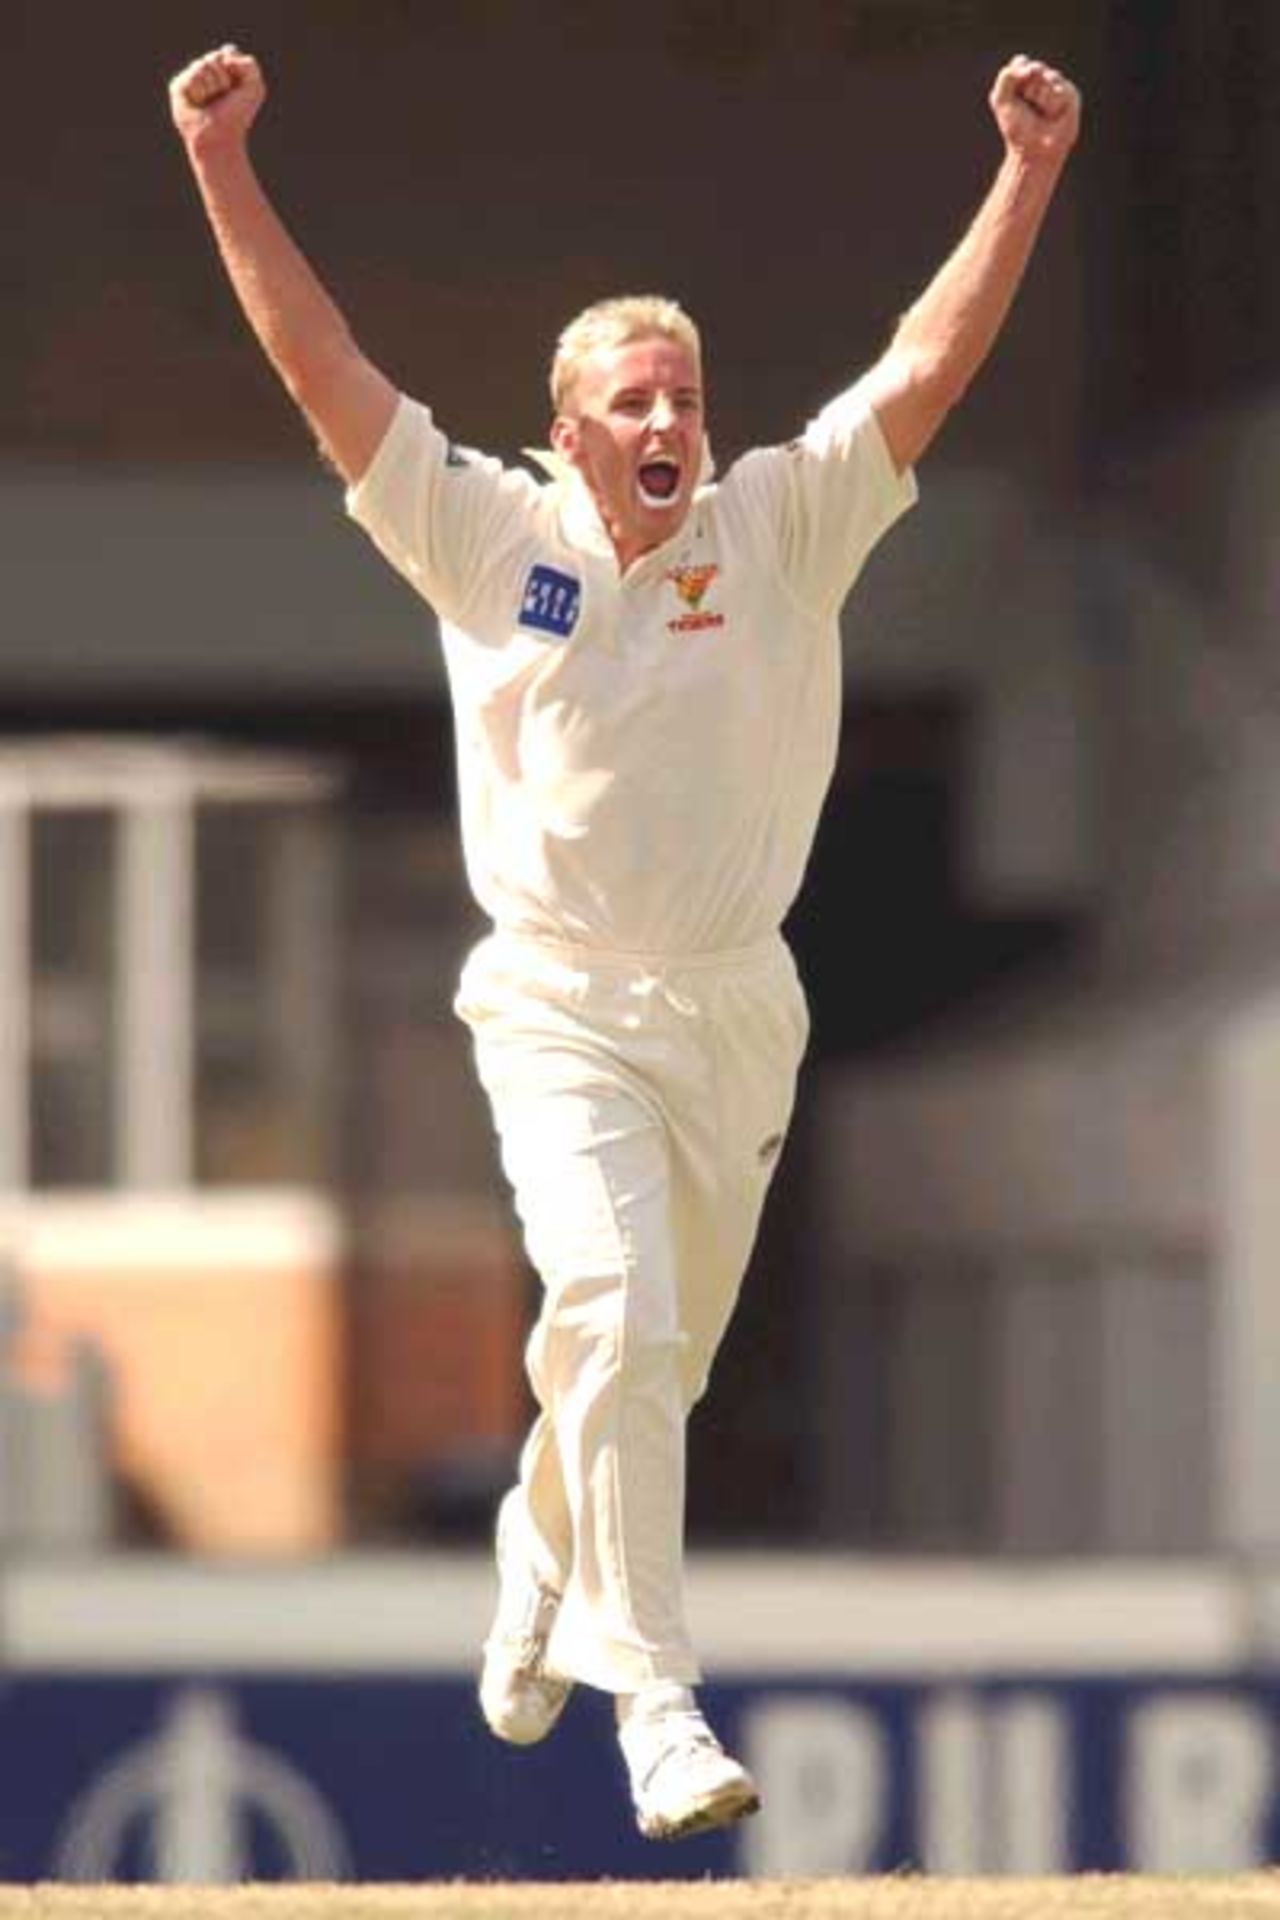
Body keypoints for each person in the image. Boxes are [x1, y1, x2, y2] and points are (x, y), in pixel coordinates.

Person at [169, 42, 1080, 1842]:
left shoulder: (784, 525)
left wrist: (1028, 176)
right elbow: (318, 364)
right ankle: (655, 1697)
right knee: (611, 1303)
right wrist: (218, 161)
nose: (670, 423)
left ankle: (537, 1550)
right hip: (555, 999)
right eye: (634, 402)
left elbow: (926, 364)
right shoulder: (482, 534)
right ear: (569, 428)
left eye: (688, 395)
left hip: (738, 1011)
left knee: (648, 1360)